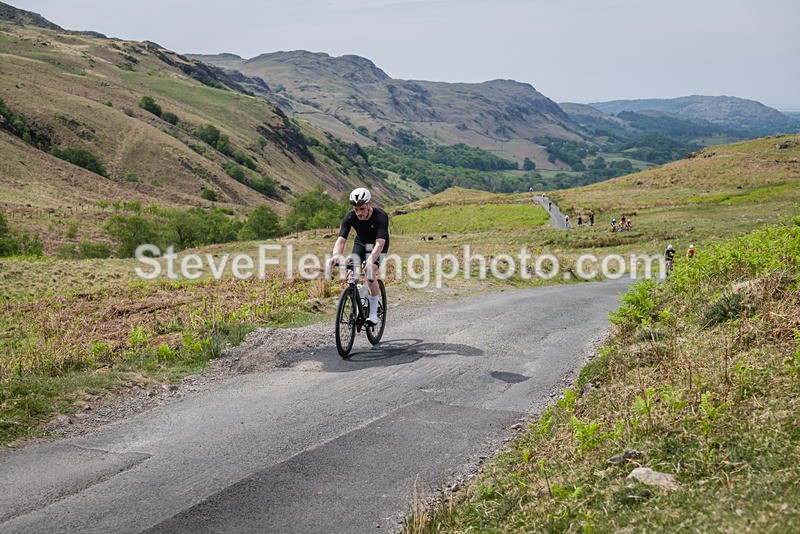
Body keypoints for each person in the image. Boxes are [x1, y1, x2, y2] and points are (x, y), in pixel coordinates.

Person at [329, 188, 390, 325]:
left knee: (370, 272)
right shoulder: (350, 217)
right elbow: (341, 240)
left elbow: (380, 243)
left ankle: (373, 313)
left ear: (369, 204)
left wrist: (370, 260)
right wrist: (336, 256)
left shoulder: (381, 216)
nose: (359, 213)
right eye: (356, 209)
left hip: (377, 245)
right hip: (361, 243)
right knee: (352, 275)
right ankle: (360, 298)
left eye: (362, 209)